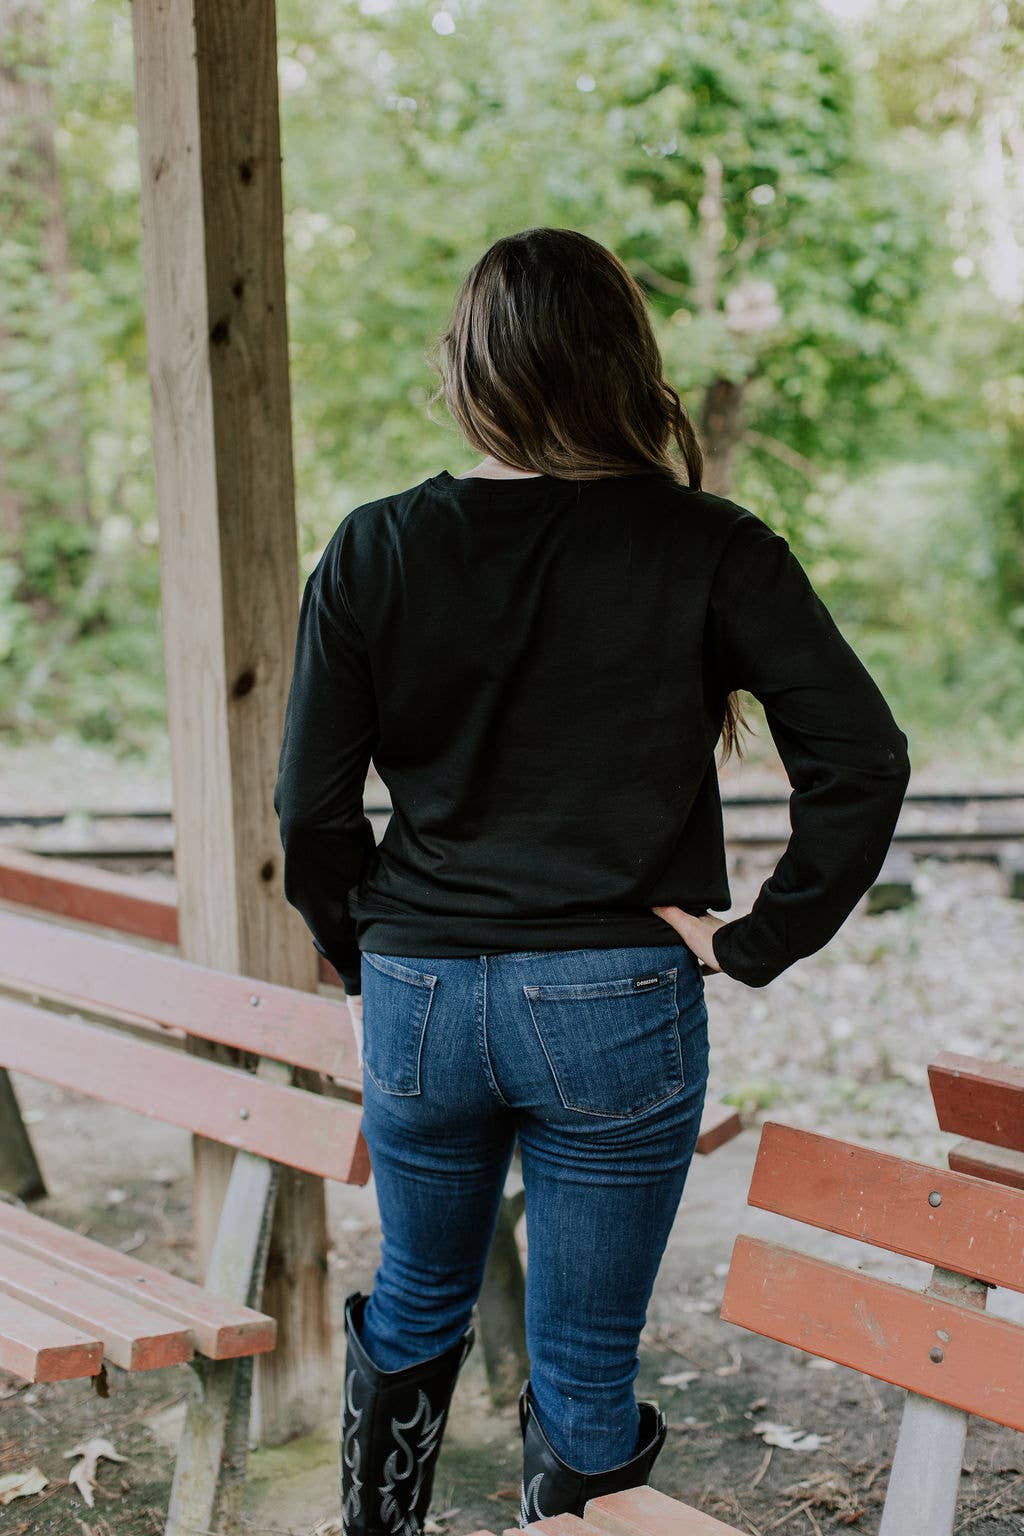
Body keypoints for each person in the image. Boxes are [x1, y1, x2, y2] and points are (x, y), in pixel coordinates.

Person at [273, 226, 911, 1536]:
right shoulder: (712, 547)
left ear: (470, 372)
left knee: (412, 1302)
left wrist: (360, 947)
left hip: (422, 996)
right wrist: (754, 941)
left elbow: (311, 810)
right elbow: (862, 762)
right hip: (615, 1001)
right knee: (581, 1366)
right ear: (628, 365)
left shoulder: (378, 548)